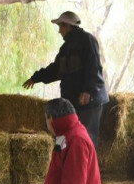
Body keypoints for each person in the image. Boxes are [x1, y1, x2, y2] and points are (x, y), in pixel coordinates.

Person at [23, 11, 109, 149]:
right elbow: (56, 69)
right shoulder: (66, 48)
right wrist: (36, 78)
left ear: (67, 25)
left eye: (60, 27)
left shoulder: (88, 40)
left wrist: (87, 91)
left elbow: (94, 68)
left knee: (87, 137)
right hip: (74, 101)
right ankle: (67, 165)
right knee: (67, 137)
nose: (59, 31)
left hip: (89, 102)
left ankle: (88, 170)